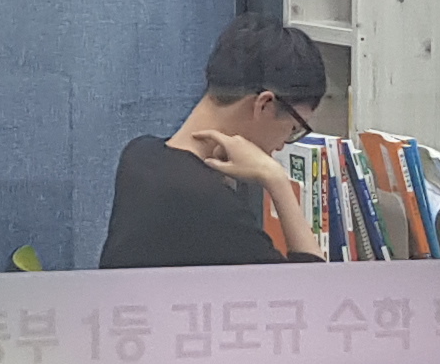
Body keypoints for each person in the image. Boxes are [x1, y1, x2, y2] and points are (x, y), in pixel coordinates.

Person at [99, 14, 329, 267]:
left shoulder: (138, 155)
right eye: (293, 129)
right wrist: (277, 180)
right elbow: (312, 287)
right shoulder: (212, 207)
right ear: (264, 104)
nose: (283, 144)